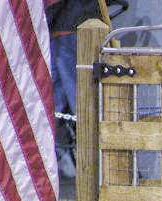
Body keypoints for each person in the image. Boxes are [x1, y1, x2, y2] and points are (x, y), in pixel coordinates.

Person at [45, 0, 102, 178]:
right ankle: (57, 157)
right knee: (58, 99)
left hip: (69, 28)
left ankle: (89, 161)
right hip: (68, 27)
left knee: (78, 99)